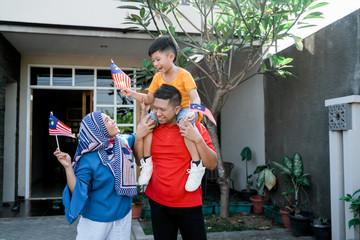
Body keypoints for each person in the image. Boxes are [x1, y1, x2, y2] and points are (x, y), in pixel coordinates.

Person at [121, 35, 205, 192]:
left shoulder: (184, 75)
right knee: (146, 123)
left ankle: (197, 165)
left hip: (184, 108)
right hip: (165, 110)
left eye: (158, 59)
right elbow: (148, 98)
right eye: (153, 60)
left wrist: (193, 111)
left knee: (184, 125)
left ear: (171, 57)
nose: (155, 64)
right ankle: (147, 163)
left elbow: (195, 97)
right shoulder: (157, 78)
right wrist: (131, 93)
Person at [134, 84, 217, 240]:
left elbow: (212, 164)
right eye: (155, 108)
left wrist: (198, 139)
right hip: (158, 204)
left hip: (189, 204)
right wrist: (139, 136)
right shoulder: (150, 128)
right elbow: (140, 161)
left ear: (178, 109)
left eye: (163, 110)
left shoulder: (194, 127)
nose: (158, 113)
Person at [53, 111, 137, 240]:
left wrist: (145, 107)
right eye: (107, 120)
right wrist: (68, 167)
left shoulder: (123, 143)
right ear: (99, 129)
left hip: (122, 216)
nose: (113, 121)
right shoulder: (88, 158)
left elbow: (142, 133)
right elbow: (78, 189)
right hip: (96, 220)